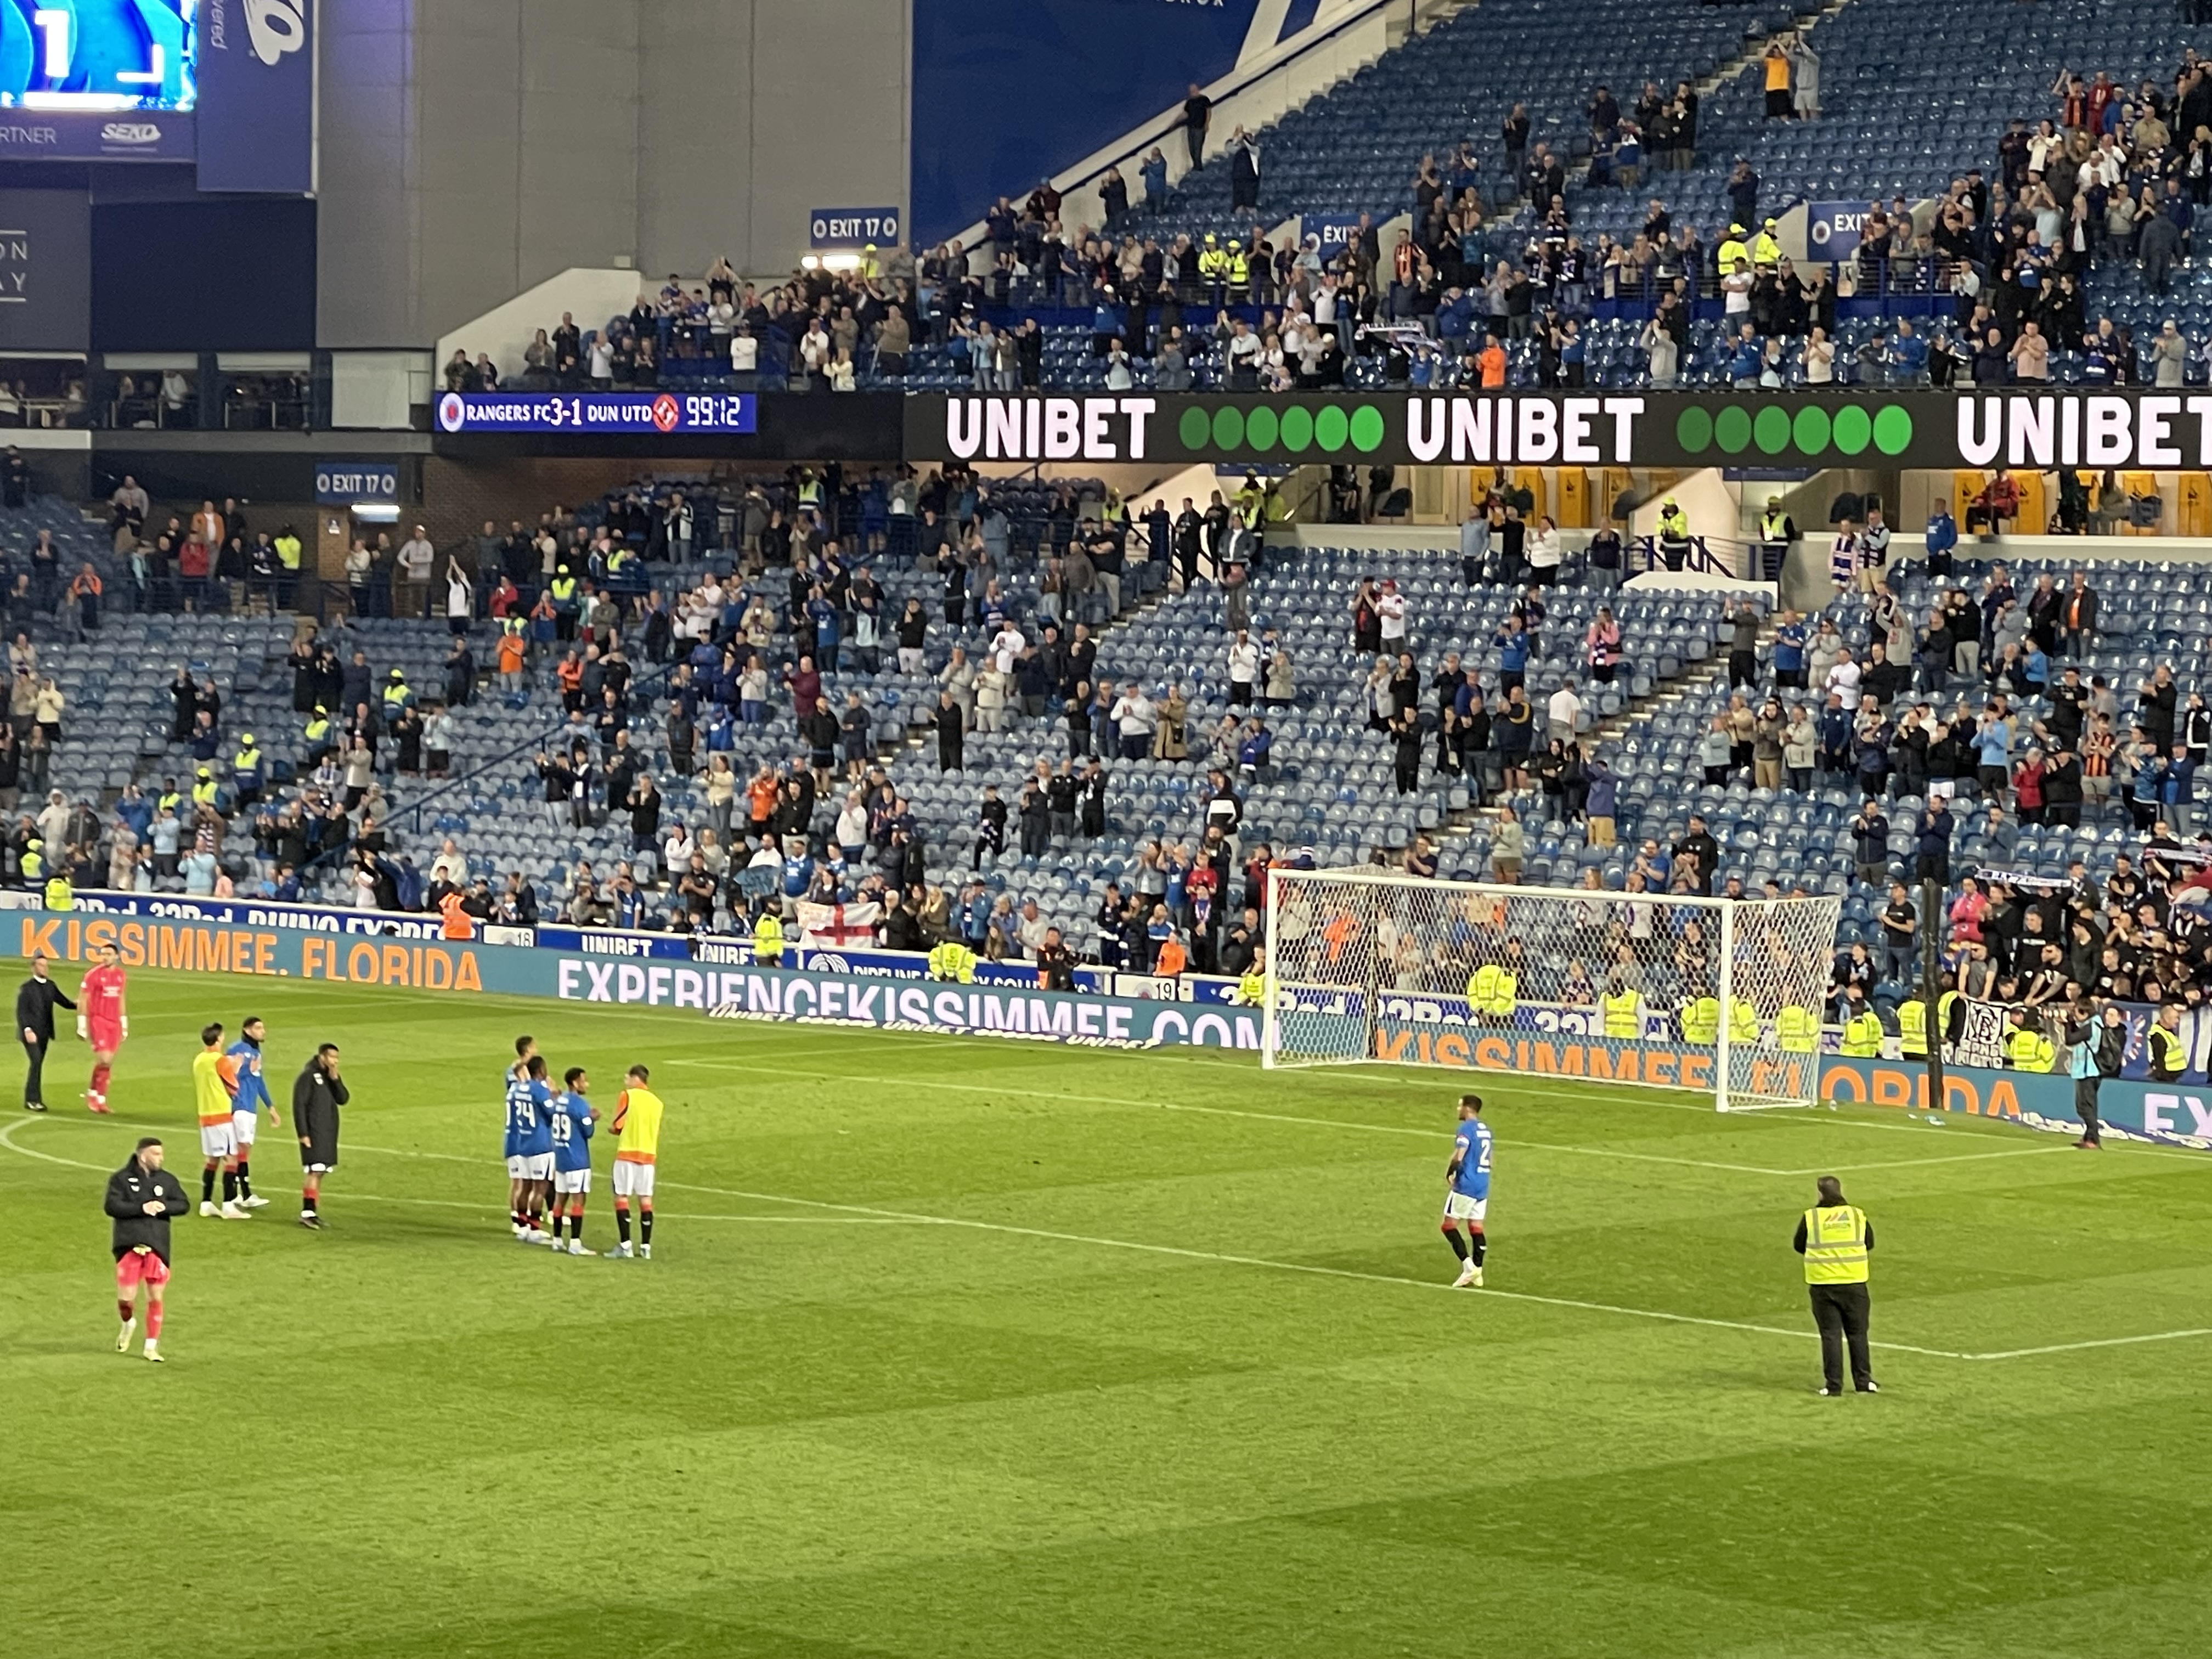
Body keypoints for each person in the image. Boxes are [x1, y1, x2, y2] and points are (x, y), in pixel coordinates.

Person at [105, 1135, 188, 1362]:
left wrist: (163, 1207)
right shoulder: (121, 1179)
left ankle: (151, 1347)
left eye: (161, 1153)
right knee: (126, 1300)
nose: (161, 1158)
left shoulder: (167, 1180)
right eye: (156, 1154)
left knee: (155, 1297)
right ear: (143, 1156)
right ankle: (128, 1323)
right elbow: (112, 1207)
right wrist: (142, 1208)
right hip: (129, 1245)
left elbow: (183, 1204)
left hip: (157, 1245)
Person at [1794, 1174, 1875, 1396]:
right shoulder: (1857, 1215)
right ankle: (1864, 1382)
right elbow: (1869, 1243)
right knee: (1858, 1334)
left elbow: (1799, 1245)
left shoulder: (1812, 1218)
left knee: (1831, 1335)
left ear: (1820, 1193)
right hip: (1855, 1283)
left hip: (1823, 1285)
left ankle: (1834, 1386)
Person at [607, 1063, 665, 1260]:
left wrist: (611, 1129)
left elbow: (617, 1125)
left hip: (627, 1154)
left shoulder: (628, 1096)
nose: (626, 1081)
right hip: (648, 1157)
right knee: (646, 1200)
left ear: (636, 1078)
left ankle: (626, 1247)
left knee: (621, 1197)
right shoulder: (657, 1103)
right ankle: (646, 1247)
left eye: (628, 1078)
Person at [191, 1022, 248, 1221]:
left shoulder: (199, 1060)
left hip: (205, 1115)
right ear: (219, 1039)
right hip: (221, 1116)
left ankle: (206, 1203)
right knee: (231, 1159)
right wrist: (236, 1068)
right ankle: (229, 1205)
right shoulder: (220, 1060)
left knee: (212, 1159)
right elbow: (233, 1089)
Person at [503, 1043, 556, 1246]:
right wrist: (554, 1095)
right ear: (541, 1071)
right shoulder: (539, 1090)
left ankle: (523, 1227)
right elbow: (552, 1114)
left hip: (522, 1144)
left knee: (524, 1187)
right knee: (540, 1188)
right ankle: (534, 1230)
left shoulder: (516, 1089)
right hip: (540, 1145)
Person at [222, 1015, 276, 1210]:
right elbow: (227, 1075)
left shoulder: (255, 1052)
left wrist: (270, 1107)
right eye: (259, 1028)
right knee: (239, 1149)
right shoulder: (236, 1049)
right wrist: (248, 1069)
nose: (263, 1031)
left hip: (251, 1107)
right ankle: (238, 1194)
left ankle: (243, 1194)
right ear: (247, 1030)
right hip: (239, 1105)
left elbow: (258, 1080)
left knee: (244, 1150)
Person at [292, 1041, 346, 1228]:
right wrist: (303, 1133)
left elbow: (343, 1098)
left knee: (320, 1171)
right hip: (313, 1132)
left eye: (337, 1058)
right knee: (314, 1171)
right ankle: (307, 1213)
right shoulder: (308, 1076)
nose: (335, 1061)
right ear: (322, 1056)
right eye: (331, 1057)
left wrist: (335, 1078)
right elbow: (299, 1105)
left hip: (327, 1133)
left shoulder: (329, 1077)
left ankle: (312, 1212)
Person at [1441, 1093, 1493, 1288]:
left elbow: (1460, 1154)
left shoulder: (1466, 1129)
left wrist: (1450, 1172)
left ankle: (1469, 1266)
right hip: (1482, 1184)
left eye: (1460, 1106)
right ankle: (1478, 1271)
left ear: (1468, 1108)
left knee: (1448, 1226)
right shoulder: (1485, 1130)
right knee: (1476, 1226)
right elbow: (1490, 1158)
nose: (1458, 1110)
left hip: (1467, 1185)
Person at [546, 1065, 599, 1255]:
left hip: (561, 1158)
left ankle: (557, 1240)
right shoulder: (580, 1104)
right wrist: (592, 1118)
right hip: (577, 1159)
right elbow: (588, 1131)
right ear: (575, 1083)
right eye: (584, 1081)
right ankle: (575, 1244)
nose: (587, 1084)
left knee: (560, 1199)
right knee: (578, 1200)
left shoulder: (559, 1101)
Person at [16, 951, 73, 1111]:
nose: (44, 968)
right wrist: (27, 1029)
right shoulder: (27, 988)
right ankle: (33, 1100)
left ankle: (33, 1099)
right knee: (36, 1062)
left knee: (38, 1064)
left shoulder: (50, 986)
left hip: (44, 1033)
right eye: (41, 965)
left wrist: (80, 1004)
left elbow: (65, 1002)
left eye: (46, 965)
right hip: (30, 1034)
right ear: (33, 967)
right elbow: (22, 1012)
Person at [77, 941, 126, 1114]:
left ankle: (101, 1098)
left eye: (109, 954)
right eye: (103, 954)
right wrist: (82, 1025)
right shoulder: (93, 975)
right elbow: (83, 998)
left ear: (116, 957)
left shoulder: (120, 975)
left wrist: (124, 1022)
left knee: (108, 1062)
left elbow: (121, 997)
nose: (105, 957)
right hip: (98, 1021)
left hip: (114, 1023)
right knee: (104, 1059)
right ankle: (93, 1094)